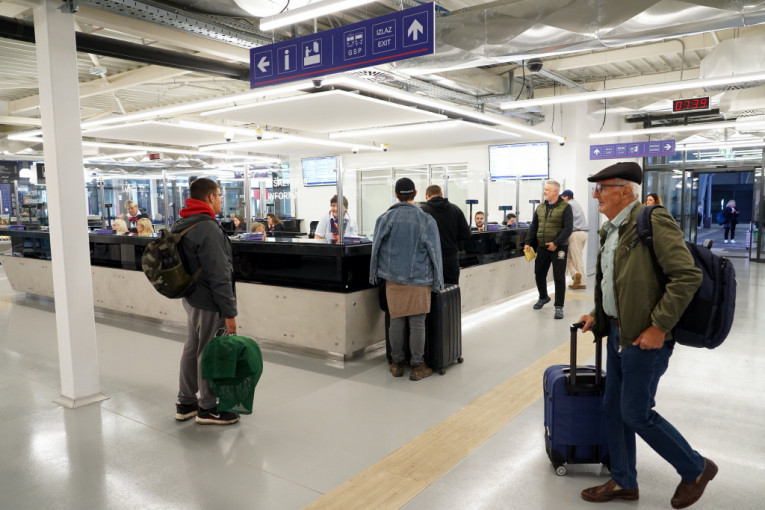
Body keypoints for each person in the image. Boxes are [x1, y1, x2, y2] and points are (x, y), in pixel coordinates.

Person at [578, 162, 716, 509]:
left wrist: (659, 327)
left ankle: (696, 468)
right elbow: (615, 284)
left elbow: (686, 276)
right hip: (618, 335)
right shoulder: (610, 230)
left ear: (626, 190)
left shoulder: (652, 221)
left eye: (602, 188)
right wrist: (598, 315)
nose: (596, 195)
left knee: (636, 412)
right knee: (614, 409)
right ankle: (624, 481)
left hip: (645, 339)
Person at [171, 177, 240, 426]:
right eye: (219, 195)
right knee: (208, 352)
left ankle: (186, 402)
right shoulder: (208, 228)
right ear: (210, 197)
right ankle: (208, 408)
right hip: (209, 301)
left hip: (191, 298)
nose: (221, 199)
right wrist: (229, 313)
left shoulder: (183, 222)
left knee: (192, 347)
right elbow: (219, 275)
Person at [370, 177, 443, 381]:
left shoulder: (385, 218)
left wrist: (374, 274)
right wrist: (438, 281)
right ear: (416, 194)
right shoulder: (426, 220)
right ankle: (418, 366)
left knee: (396, 320)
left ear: (396, 194)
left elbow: (375, 249)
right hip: (420, 279)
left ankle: (397, 364)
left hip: (393, 279)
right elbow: (435, 252)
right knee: (418, 323)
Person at [523, 180, 573, 320]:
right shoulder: (540, 207)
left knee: (559, 276)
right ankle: (543, 297)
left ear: (556, 192)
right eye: (545, 189)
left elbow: (568, 228)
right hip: (542, 247)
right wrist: (528, 242)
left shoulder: (565, 207)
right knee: (539, 273)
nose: (544, 192)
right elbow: (534, 226)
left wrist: (556, 243)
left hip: (559, 248)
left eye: (547, 190)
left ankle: (559, 306)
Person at [421, 184, 471, 285]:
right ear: (441, 194)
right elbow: (466, 235)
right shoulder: (455, 209)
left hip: (430, 261)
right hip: (451, 260)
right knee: (451, 290)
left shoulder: (422, 211)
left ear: (426, 196)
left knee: (432, 291)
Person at [560, 189, 588, 290]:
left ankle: (582, 283)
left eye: (562, 197)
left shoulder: (568, 205)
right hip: (582, 233)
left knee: (576, 259)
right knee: (568, 257)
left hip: (575, 234)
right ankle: (576, 275)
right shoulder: (576, 204)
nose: (561, 199)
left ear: (566, 197)